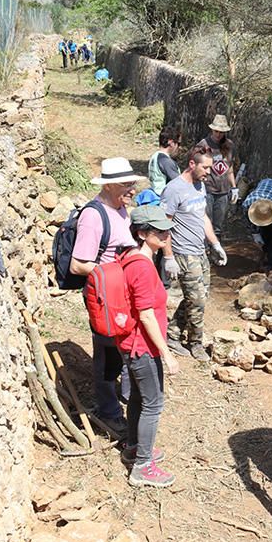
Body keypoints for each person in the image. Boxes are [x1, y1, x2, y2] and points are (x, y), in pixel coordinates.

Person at [70, 157, 139, 436]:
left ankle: (127, 398)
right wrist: (113, 273)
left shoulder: (120, 209)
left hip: (121, 293)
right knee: (108, 353)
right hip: (105, 298)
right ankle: (109, 411)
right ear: (109, 185)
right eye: (126, 184)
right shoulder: (93, 216)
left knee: (125, 344)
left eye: (132, 183)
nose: (132, 189)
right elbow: (78, 264)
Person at [116, 205, 181, 487]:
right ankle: (143, 467)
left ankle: (134, 447)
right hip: (142, 347)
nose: (165, 235)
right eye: (158, 231)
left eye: (166, 230)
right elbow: (145, 315)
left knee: (139, 399)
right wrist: (167, 354)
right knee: (153, 404)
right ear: (142, 234)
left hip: (131, 344)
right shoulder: (142, 267)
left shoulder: (131, 257)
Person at [159, 148, 228, 362]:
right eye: (205, 167)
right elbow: (164, 225)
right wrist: (168, 257)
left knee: (198, 297)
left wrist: (215, 244)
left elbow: (203, 217)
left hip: (200, 252)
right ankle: (195, 343)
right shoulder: (174, 189)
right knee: (197, 300)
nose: (209, 172)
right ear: (192, 164)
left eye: (209, 167)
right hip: (183, 253)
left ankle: (172, 334)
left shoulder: (200, 185)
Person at [195, 115, 238, 238]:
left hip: (223, 191)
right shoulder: (203, 145)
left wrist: (234, 187)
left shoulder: (229, 145)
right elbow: (196, 166)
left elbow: (229, 168)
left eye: (221, 132)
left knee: (218, 225)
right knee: (206, 221)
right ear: (212, 130)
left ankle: (216, 246)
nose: (218, 134)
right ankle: (205, 246)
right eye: (216, 131)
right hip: (207, 190)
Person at [242, 178, 272, 274]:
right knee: (265, 232)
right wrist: (255, 233)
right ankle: (266, 252)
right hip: (265, 183)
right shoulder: (247, 204)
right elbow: (247, 219)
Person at [138, 126, 181, 207]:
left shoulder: (155, 156)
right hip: (163, 200)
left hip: (155, 194)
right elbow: (179, 182)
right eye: (178, 143)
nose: (179, 147)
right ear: (171, 142)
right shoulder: (166, 161)